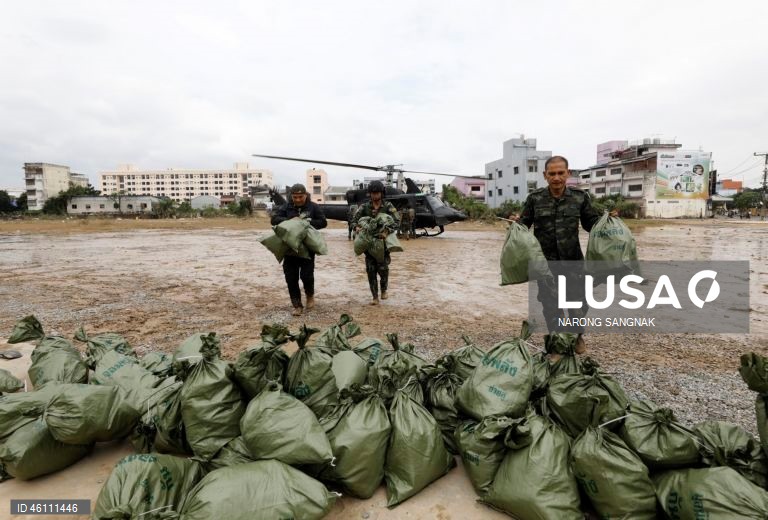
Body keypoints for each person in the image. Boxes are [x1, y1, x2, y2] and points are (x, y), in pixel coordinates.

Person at [511, 155, 604, 357]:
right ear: (545, 175)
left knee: (578, 304)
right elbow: (523, 225)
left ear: (568, 174)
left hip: (574, 263)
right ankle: (557, 345)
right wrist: (515, 222)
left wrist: (608, 221)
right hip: (546, 264)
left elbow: (591, 225)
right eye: (552, 173)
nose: (556, 177)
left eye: (561, 173)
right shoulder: (535, 199)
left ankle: (577, 336)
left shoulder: (580, 197)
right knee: (551, 305)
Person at [270, 183, 327, 316]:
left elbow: (323, 222)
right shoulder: (286, 207)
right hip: (289, 248)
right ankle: (297, 305)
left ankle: (310, 295)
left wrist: (306, 222)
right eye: (295, 197)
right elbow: (274, 220)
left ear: (305, 195)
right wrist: (290, 220)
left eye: (300, 197)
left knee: (307, 276)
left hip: (307, 248)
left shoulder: (313, 207)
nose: (297, 200)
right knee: (291, 277)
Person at [352, 181, 400, 305]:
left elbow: (397, 221)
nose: (375, 195)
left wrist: (387, 231)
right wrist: (356, 227)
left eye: (377, 193)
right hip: (368, 243)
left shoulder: (388, 206)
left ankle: (384, 290)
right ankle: (375, 297)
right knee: (370, 270)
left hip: (383, 243)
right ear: (370, 194)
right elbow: (354, 221)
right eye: (373, 193)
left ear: (382, 193)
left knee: (383, 269)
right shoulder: (364, 207)